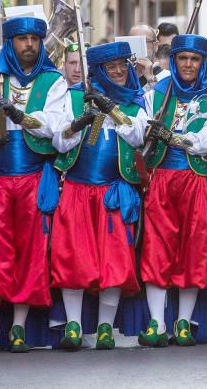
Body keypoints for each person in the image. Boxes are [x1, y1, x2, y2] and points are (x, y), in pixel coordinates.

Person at [0, 15, 68, 353]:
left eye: (34, 40)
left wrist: (20, 117)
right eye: (22, 39)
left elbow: (54, 127)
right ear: (11, 42)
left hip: (32, 179)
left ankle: (19, 328)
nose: (29, 45)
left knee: (30, 252)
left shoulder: (52, 81)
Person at [50, 41, 149, 350]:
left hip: (114, 192)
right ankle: (74, 327)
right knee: (73, 258)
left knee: (113, 261)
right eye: (111, 67)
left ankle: (106, 327)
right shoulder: (74, 97)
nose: (118, 72)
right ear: (99, 71)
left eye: (123, 65)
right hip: (78, 190)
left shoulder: (136, 101)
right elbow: (59, 142)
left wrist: (111, 110)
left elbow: (137, 135)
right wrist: (82, 119)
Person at [139, 34, 207, 347]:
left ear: (203, 62)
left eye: (195, 59)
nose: (188, 65)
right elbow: (142, 133)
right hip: (162, 177)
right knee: (157, 247)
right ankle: (157, 323)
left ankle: (184, 322)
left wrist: (174, 138)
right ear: (174, 61)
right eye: (182, 59)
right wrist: (150, 132)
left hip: (198, 179)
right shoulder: (157, 93)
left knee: (195, 249)